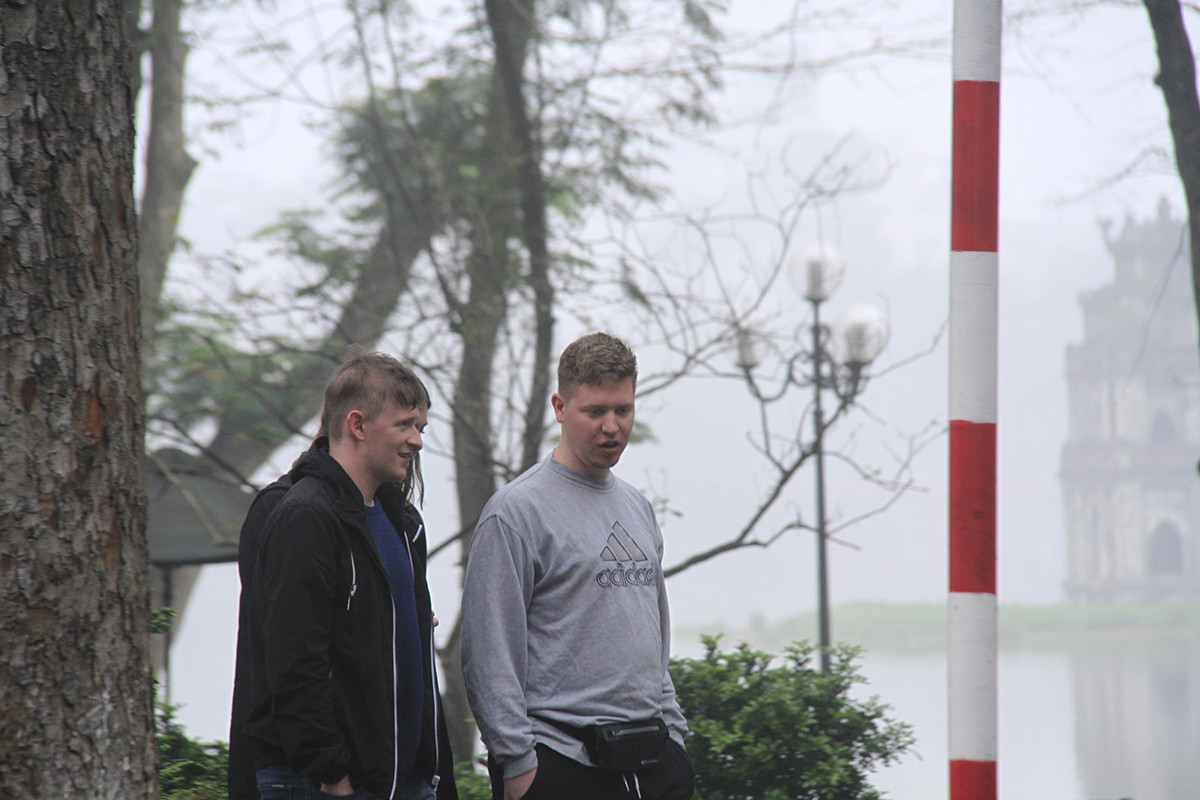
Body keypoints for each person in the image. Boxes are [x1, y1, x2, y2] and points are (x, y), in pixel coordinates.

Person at [461, 332, 695, 800]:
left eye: (623, 410)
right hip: (558, 763)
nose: (612, 426)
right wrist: (518, 763)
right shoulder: (516, 513)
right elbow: (488, 653)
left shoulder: (637, 508)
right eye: (595, 411)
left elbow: (656, 641)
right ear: (560, 407)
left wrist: (674, 736)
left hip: (653, 763)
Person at [237, 348, 458, 800]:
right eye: (405, 425)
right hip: (327, 783)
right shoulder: (304, 516)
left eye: (420, 427)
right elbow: (295, 663)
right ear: (357, 425)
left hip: (403, 781)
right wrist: (332, 774)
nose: (417, 441)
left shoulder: (403, 523)